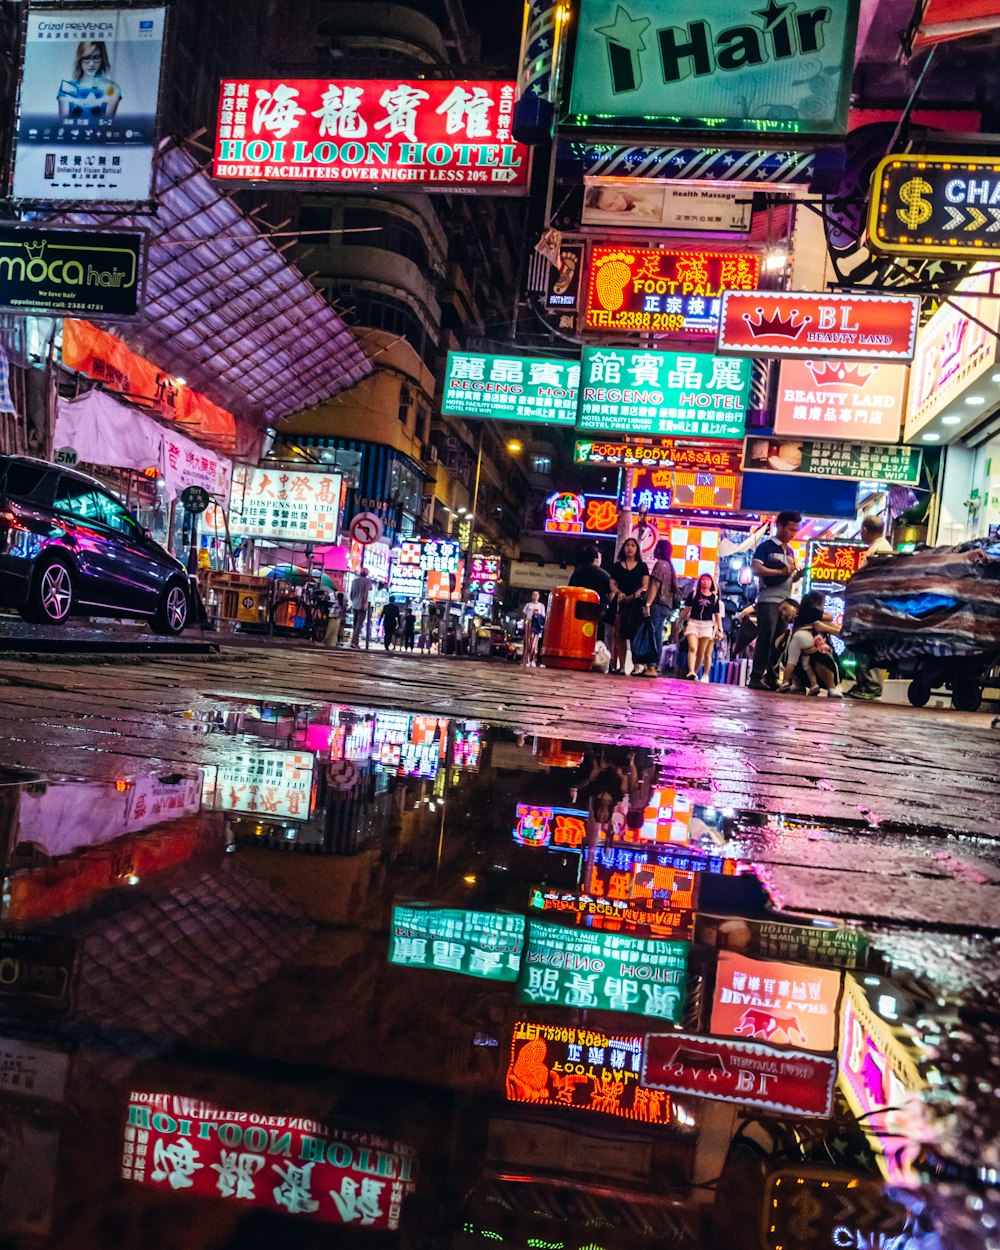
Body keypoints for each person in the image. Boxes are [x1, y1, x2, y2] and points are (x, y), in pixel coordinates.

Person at [749, 512, 804, 690]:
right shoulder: (765, 547)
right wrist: (780, 572)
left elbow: (788, 577)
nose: (792, 533)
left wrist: (796, 576)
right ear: (779, 526)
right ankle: (756, 677)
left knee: (780, 640)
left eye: (795, 530)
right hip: (768, 600)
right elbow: (756, 569)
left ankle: (772, 677)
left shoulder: (790, 551)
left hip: (785, 602)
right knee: (766, 636)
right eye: (790, 529)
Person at [848, 516, 895, 700]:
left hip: (871, 605)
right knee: (863, 644)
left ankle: (871, 685)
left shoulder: (879, 550)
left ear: (865, 530)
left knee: (866, 644)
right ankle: (863, 683)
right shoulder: (879, 546)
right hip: (869, 604)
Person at [778, 590, 843, 697]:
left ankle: (832, 687)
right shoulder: (794, 627)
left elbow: (841, 633)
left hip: (825, 662)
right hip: (805, 668)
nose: (784, 614)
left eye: (785, 609)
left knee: (817, 656)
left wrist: (824, 628)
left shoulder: (815, 617)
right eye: (781, 613)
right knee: (787, 652)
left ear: (795, 607)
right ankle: (798, 685)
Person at [609, 537, 650, 675]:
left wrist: (636, 594)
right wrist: (618, 593)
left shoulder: (642, 566)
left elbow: (645, 585)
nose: (630, 548)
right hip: (621, 602)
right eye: (627, 545)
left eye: (633, 545)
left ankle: (637, 665)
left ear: (637, 549)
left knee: (635, 635)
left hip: (636, 604)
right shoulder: (616, 566)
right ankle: (621, 666)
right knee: (620, 635)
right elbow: (612, 583)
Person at [645, 539, 682, 676]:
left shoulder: (660, 564)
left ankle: (652, 665)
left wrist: (648, 603)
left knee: (652, 635)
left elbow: (655, 585)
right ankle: (655, 665)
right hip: (666, 606)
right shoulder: (670, 567)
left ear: (659, 550)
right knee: (658, 635)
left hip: (657, 604)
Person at [58, 42, 121, 121]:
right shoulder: (67, 87)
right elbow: (63, 123)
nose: (91, 64)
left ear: (102, 58)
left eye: (96, 57)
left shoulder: (113, 88)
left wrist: (94, 108)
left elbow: (107, 124)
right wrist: (80, 107)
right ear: (80, 59)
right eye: (86, 58)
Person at [679, 573, 723, 681]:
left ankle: (696, 672)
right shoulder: (693, 594)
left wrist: (720, 629)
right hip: (693, 623)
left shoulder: (715, 598)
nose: (705, 582)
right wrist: (679, 621)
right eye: (703, 580)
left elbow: (717, 615)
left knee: (701, 652)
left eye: (708, 580)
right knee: (692, 647)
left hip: (707, 625)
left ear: (711, 583)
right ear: (700, 582)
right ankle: (691, 671)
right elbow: (686, 609)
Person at [349, 567, 373, 649]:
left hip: (354, 605)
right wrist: (364, 603)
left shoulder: (354, 581)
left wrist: (353, 601)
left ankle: (355, 641)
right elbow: (366, 591)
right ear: (367, 574)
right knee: (359, 625)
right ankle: (354, 642)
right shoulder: (368, 581)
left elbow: (351, 593)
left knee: (355, 625)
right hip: (361, 606)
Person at [522, 591, 546, 667]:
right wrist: (524, 623)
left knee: (534, 643)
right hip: (529, 623)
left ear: (539, 596)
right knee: (528, 642)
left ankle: (533, 660)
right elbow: (524, 615)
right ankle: (526, 660)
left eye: (537, 595)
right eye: (534, 595)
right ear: (532, 596)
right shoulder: (528, 605)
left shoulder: (541, 606)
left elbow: (543, 617)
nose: (535, 596)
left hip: (536, 625)